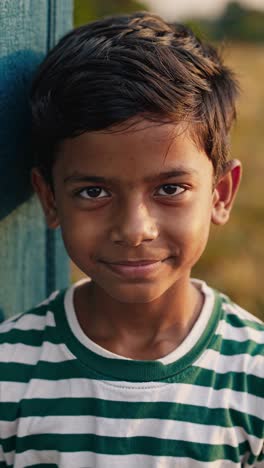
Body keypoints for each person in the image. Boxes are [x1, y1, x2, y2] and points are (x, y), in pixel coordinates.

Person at [0, 11, 263, 468]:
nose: (135, 229)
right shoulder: (9, 370)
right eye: (94, 191)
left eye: (170, 189)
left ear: (220, 194)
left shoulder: (253, 375)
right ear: (51, 199)